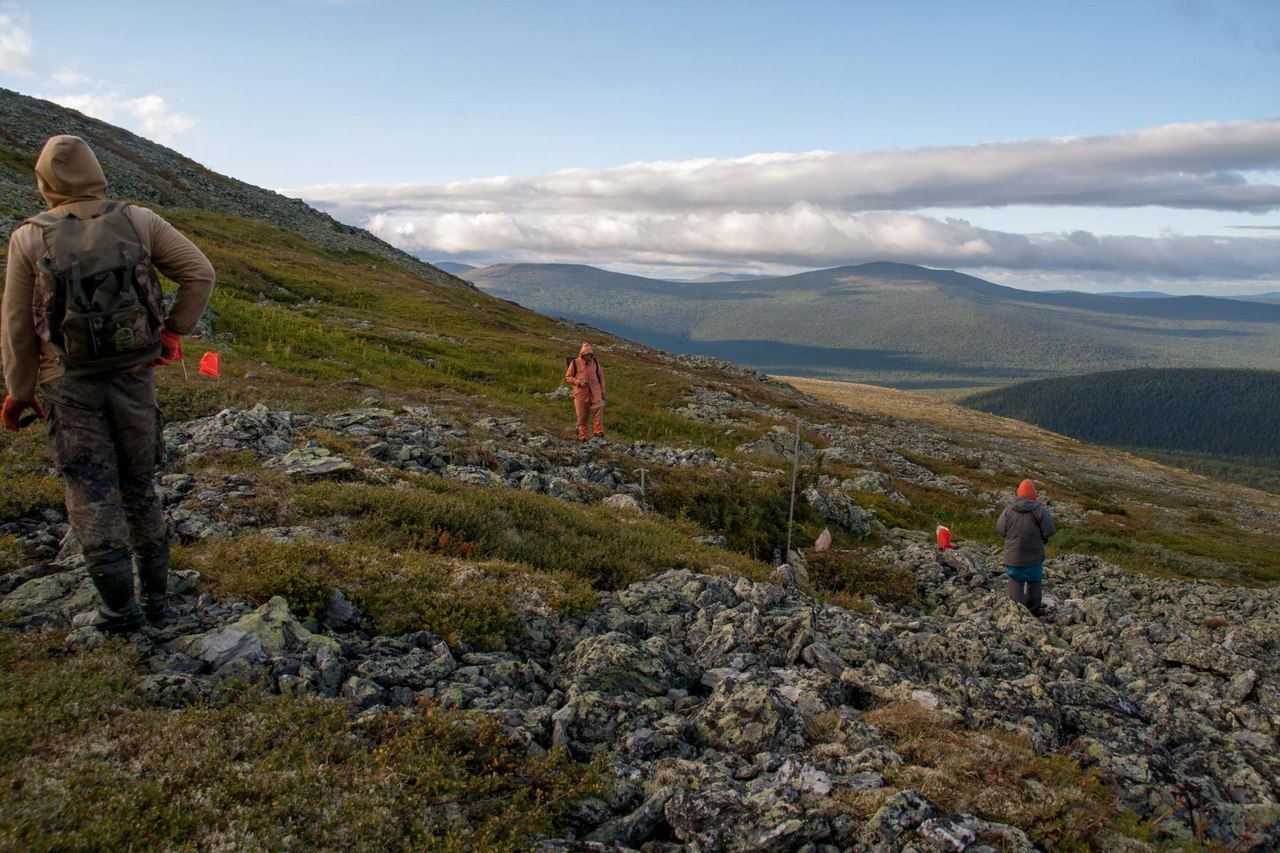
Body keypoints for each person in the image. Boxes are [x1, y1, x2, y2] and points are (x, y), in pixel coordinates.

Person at [2, 135, 215, 633]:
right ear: (97, 171)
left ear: (44, 181)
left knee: (91, 488)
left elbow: (15, 325)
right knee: (139, 485)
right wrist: (170, 333)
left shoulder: (29, 238)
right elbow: (199, 274)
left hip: (65, 382)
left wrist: (19, 390)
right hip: (133, 376)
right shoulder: (138, 219)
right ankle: (159, 601)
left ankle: (119, 612)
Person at [995, 478, 1055, 616]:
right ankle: (1034, 610)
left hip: (1013, 557)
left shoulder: (1008, 511)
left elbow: (1000, 530)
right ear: (1034, 495)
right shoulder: (1040, 511)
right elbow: (1049, 531)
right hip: (1034, 557)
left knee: (1015, 581)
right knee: (1034, 582)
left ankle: (1019, 612)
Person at [564, 342, 606, 441]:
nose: (588, 356)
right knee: (582, 415)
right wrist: (578, 382)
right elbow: (568, 377)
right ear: (582, 354)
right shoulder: (575, 363)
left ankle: (598, 431)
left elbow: (601, 378)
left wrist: (602, 391)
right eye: (586, 354)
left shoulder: (595, 363)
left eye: (590, 354)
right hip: (580, 393)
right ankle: (583, 436)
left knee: (599, 407)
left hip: (595, 391)